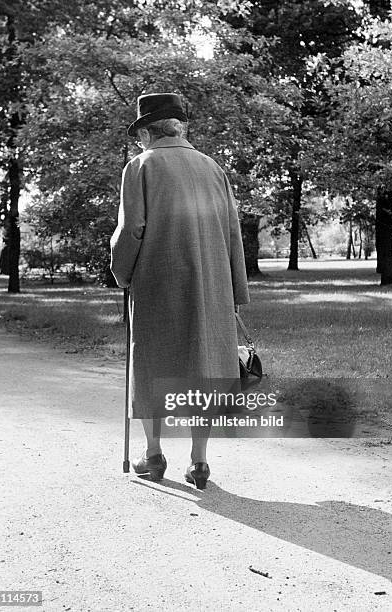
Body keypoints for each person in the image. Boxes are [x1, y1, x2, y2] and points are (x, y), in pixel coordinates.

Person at [110, 93, 249, 489]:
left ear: (147, 132)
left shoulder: (140, 166)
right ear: (178, 127)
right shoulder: (212, 167)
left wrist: (121, 271)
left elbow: (131, 229)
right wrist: (236, 291)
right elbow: (232, 233)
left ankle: (153, 454)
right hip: (211, 285)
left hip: (158, 281)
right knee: (203, 366)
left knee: (153, 363)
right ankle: (199, 463)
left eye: (140, 134)